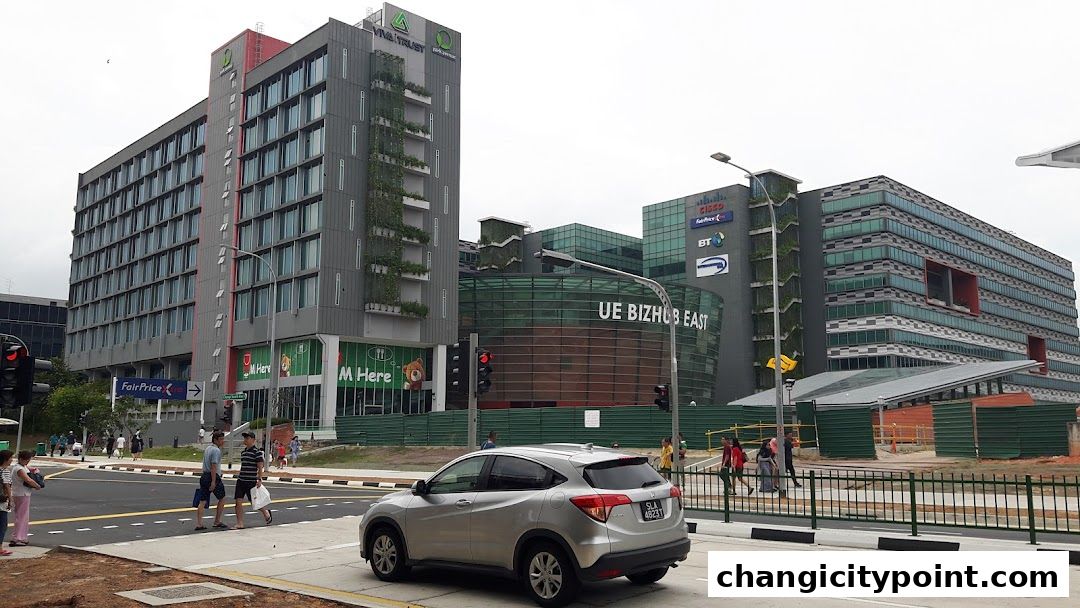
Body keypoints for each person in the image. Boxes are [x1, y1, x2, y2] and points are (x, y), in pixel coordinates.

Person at [233, 432, 272, 529]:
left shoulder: (257, 452)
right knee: (238, 501)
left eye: (247, 438)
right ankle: (240, 523)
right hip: (241, 480)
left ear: (253, 440)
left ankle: (266, 513)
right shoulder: (244, 452)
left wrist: (259, 479)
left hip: (251, 481)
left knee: (254, 502)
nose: (245, 439)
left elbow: (260, 467)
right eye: (245, 438)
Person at [195, 431, 228, 531]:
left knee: (202, 500)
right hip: (212, 476)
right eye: (221, 439)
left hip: (204, 476)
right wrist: (213, 481)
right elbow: (214, 467)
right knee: (222, 498)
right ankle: (217, 521)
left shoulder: (208, 448)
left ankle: (199, 523)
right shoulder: (216, 451)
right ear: (216, 440)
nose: (223, 441)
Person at [9, 450, 42, 546]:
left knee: (21, 516)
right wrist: (37, 485)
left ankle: (21, 536)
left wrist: (32, 470)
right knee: (22, 517)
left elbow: (28, 469)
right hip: (22, 494)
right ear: (20, 459)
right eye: (26, 460)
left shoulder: (19, 467)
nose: (28, 462)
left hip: (18, 493)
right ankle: (18, 537)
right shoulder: (20, 469)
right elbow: (28, 479)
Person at [0, 450, 13, 556]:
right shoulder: (5, 471)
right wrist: (10, 499)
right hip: (1, 501)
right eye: (10, 458)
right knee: (2, 525)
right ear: (5, 459)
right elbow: (7, 486)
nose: (12, 460)